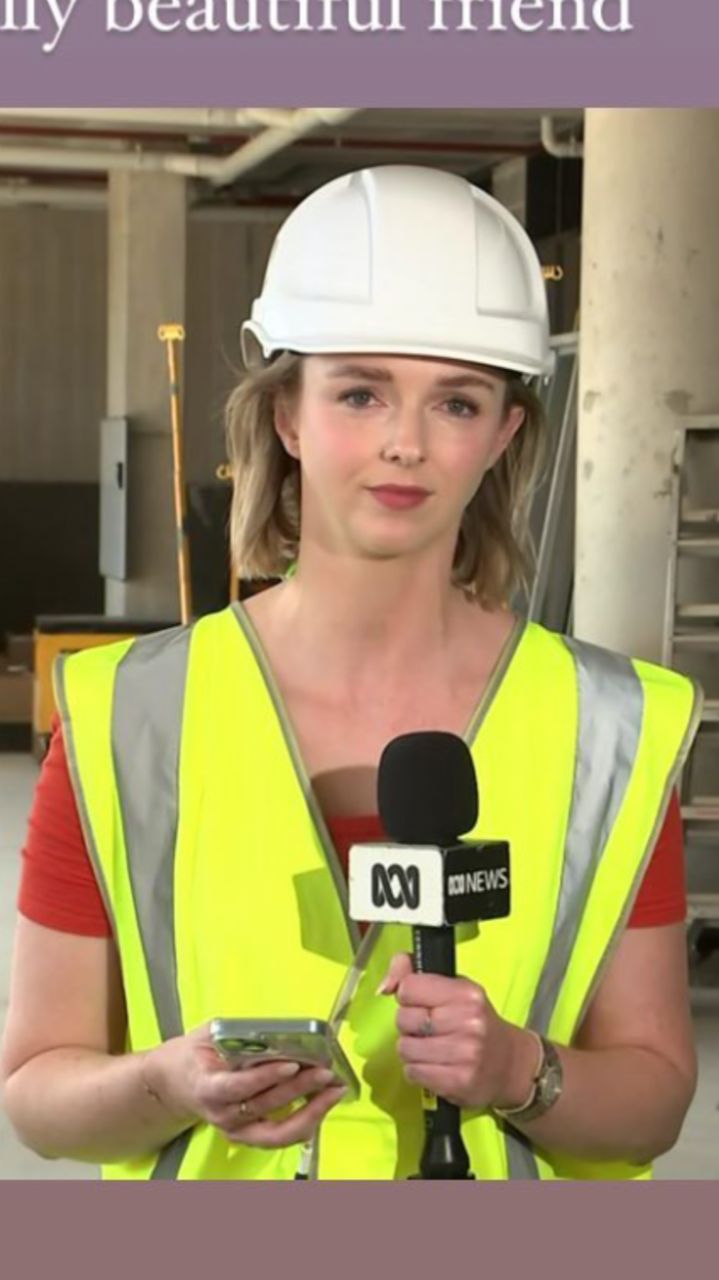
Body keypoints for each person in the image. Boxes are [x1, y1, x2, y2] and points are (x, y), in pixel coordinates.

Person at [1, 165, 702, 1181]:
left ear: (503, 432)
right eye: (360, 393)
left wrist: (519, 1069)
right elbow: (39, 1093)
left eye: (454, 401)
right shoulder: (127, 717)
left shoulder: (612, 729)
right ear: (287, 415)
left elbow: (651, 1101)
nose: (404, 443)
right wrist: (167, 1082)